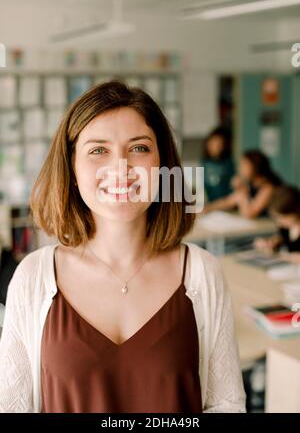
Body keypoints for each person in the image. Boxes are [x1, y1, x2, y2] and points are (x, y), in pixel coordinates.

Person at [0, 81, 246, 413]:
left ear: (162, 164)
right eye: (98, 150)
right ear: (72, 169)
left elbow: (226, 405)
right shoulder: (33, 277)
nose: (121, 168)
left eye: (139, 148)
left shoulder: (203, 273)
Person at [204, 150, 282, 219]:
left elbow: (249, 214)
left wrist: (242, 190)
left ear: (256, 166)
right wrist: (207, 208)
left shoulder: (268, 187)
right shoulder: (251, 184)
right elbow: (228, 201)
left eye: (244, 165)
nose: (241, 169)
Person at [254, 185, 300, 263]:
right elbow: (286, 240)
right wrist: (273, 243)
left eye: (283, 218)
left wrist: (285, 256)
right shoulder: (286, 227)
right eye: (276, 218)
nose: (279, 223)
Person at [202, 126, 235, 202]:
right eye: (213, 144)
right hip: (208, 204)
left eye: (219, 144)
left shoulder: (228, 163)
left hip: (225, 204)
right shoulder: (204, 163)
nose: (216, 147)